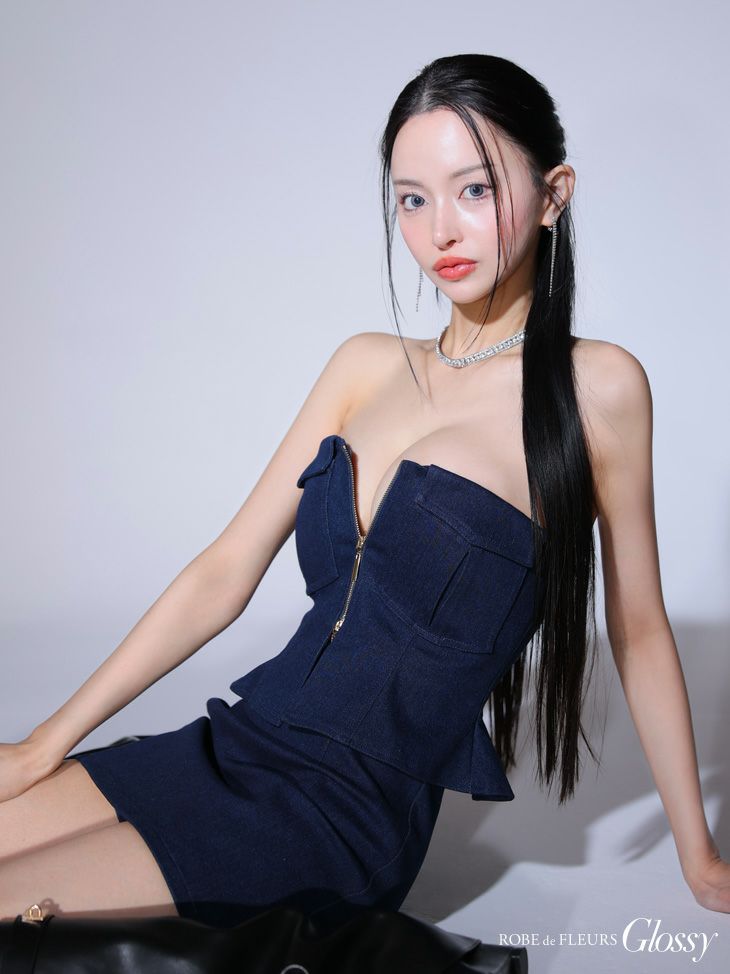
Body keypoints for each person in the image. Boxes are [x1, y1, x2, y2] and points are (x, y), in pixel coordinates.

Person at [1, 53, 728, 928]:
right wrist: (44, 744)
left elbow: (638, 630)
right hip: (237, 741)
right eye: (412, 200)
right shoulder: (363, 365)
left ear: (554, 194)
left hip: (340, 812)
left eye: (475, 189)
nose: (440, 231)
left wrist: (698, 855)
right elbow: (224, 571)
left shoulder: (597, 389)